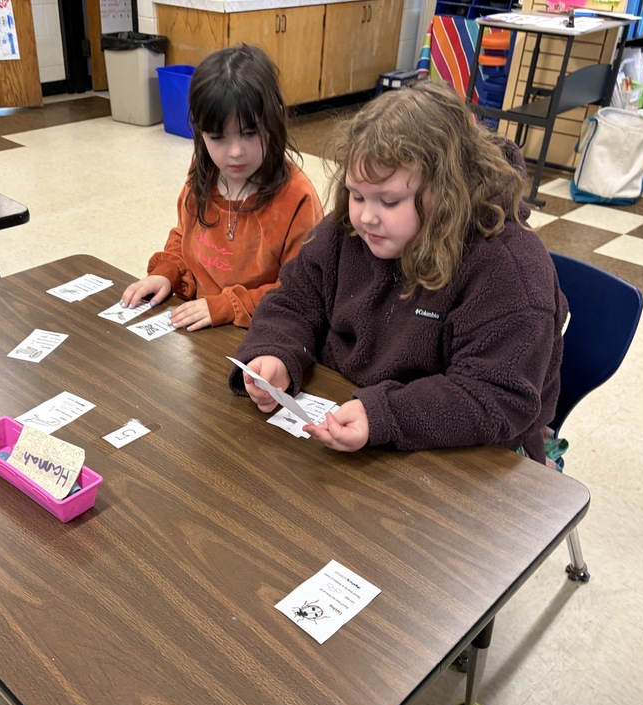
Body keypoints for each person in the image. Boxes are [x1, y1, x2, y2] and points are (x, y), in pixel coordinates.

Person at [228, 81, 568, 462]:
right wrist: (276, 350)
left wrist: (385, 414)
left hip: (470, 458)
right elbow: (296, 297)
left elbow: (496, 396)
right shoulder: (350, 229)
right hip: (357, 423)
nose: (366, 216)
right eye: (356, 195)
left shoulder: (509, 269)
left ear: (447, 191)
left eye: (389, 201)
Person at [120, 44, 323, 331]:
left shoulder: (296, 197)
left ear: (275, 118)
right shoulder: (203, 172)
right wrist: (167, 273)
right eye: (217, 137)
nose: (235, 152)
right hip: (204, 329)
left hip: (266, 335)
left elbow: (301, 291)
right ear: (200, 131)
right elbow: (185, 236)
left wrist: (227, 306)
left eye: (250, 133)